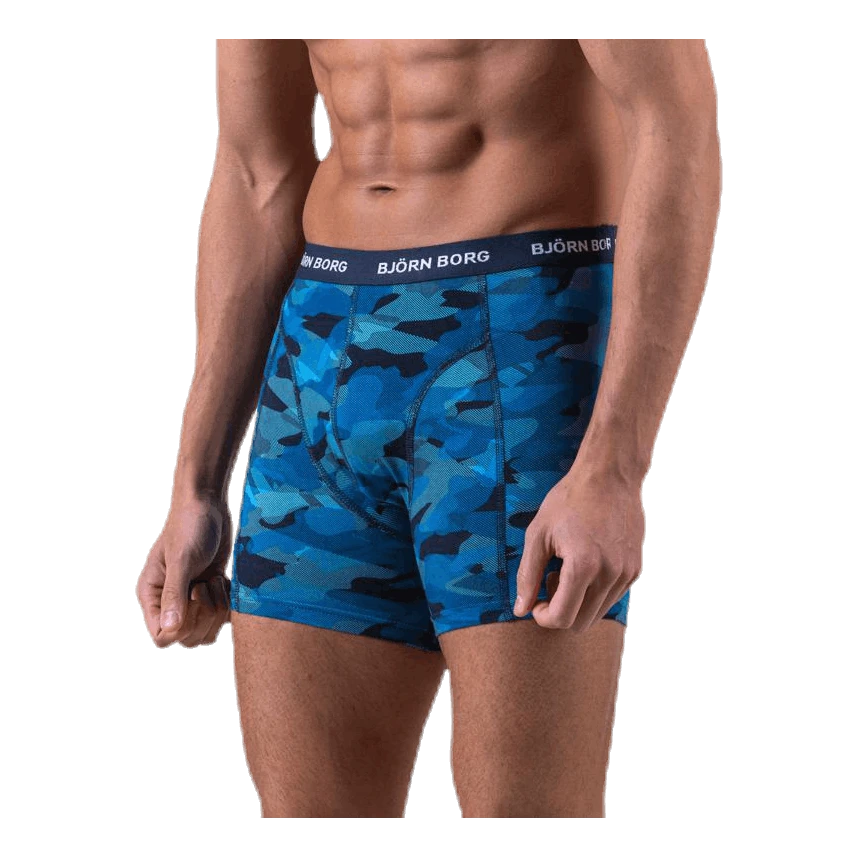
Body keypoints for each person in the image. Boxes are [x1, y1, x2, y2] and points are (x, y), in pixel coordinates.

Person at [136, 35, 721, 821]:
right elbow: (254, 169)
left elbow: (673, 125)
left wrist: (613, 468)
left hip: (517, 345)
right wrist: (198, 480)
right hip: (318, 356)